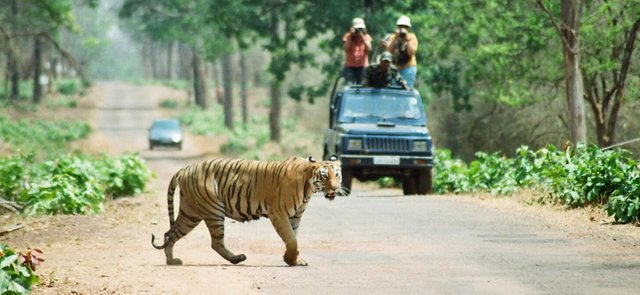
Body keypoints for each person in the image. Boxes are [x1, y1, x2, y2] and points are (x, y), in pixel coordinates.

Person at [384, 15, 418, 88]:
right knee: (393, 91)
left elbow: (411, 53)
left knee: (407, 90)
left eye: (405, 27)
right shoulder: (393, 37)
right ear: (397, 27)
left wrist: (406, 39)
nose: (403, 28)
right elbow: (388, 51)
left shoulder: (412, 37)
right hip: (394, 69)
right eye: (400, 26)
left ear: (408, 28)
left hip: (408, 68)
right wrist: (396, 37)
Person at [342, 17, 372, 84]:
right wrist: (351, 36)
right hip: (350, 66)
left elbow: (369, 48)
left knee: (362, 86)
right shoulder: (348, 36)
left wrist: (362, 37)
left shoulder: (366, 37)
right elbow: (346, 49)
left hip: (363, 66)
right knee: (350, 85)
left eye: (360, 29)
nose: (358, 31)